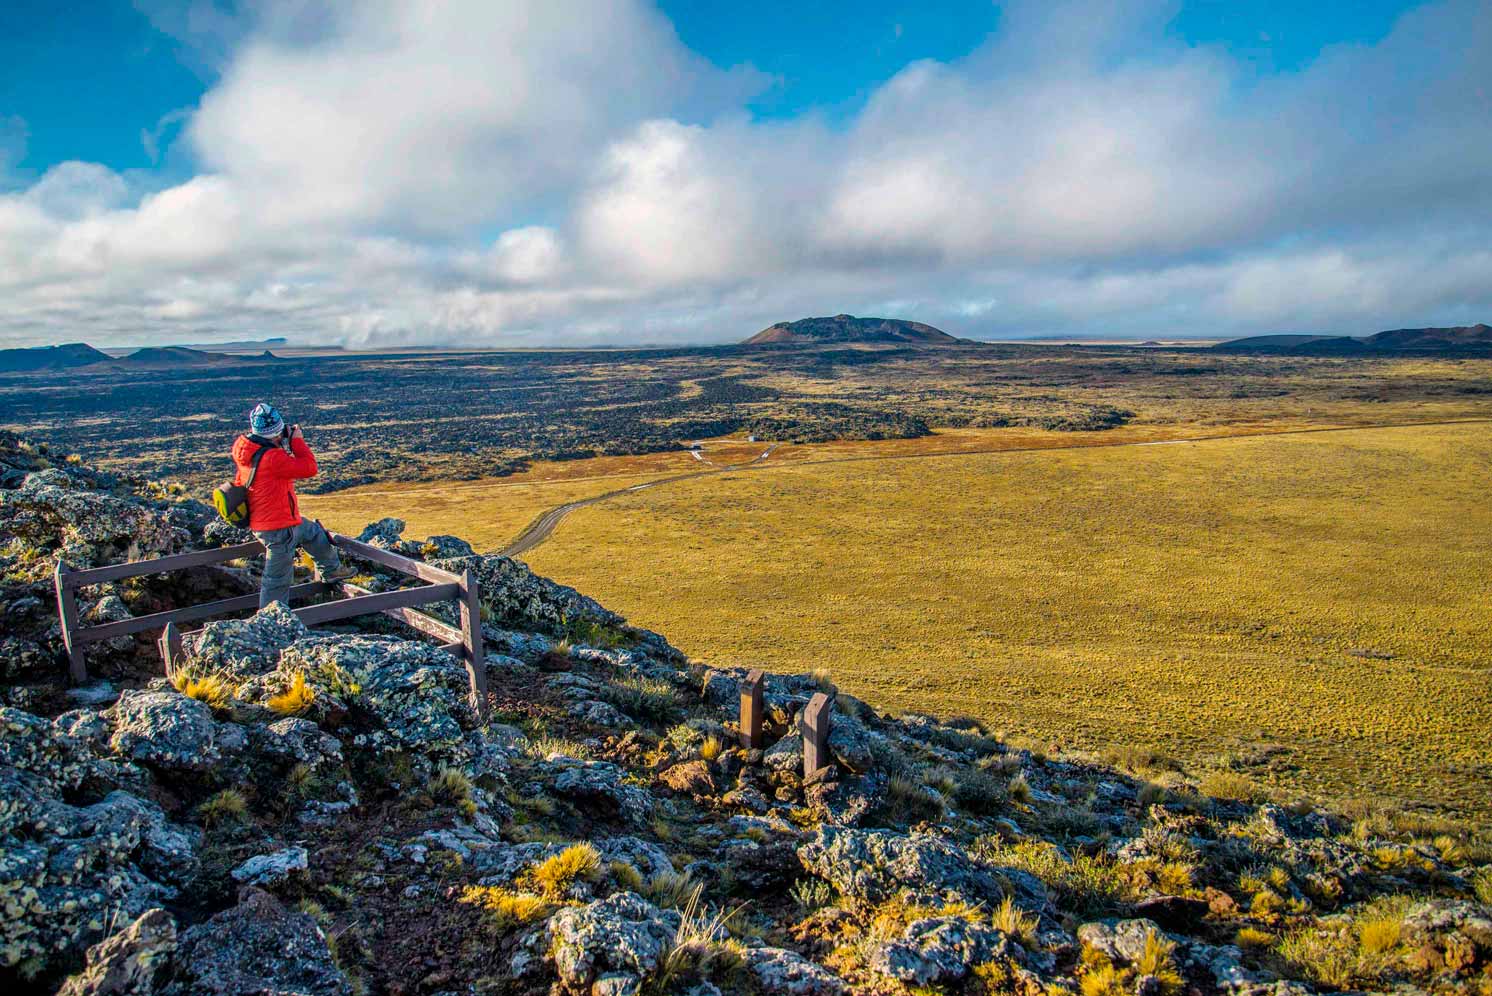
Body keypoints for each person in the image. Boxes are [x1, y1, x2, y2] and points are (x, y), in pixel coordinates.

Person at [231, 402, 353, 608]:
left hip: (272, 520)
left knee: (313, 533)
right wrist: (297, 442)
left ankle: (331, 570)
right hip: (278, 528)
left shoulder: (246, 449)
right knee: (276, 580)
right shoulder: (272, 457)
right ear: (276, 433)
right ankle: (271, 622)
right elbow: (309, 468)